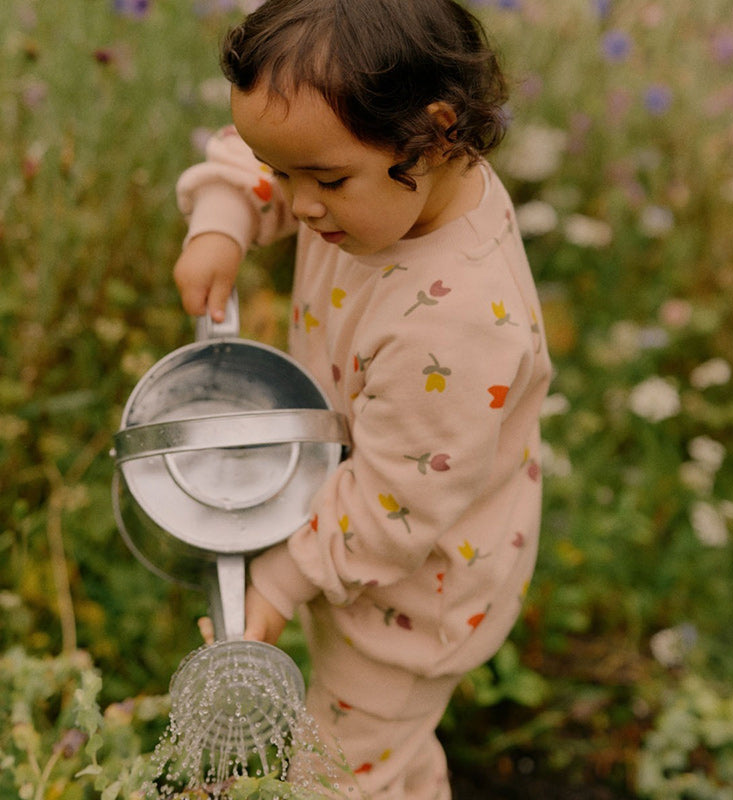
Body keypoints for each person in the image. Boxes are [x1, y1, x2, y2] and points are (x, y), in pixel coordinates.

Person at [173, 1, 551, 797]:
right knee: (388, 758)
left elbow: (393, 506)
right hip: (348, 542)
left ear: (436, 132)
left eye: (327, 180)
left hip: (410, 602)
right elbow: (265, 151)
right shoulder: (384, 192)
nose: (300, 205)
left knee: (339, 773)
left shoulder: (455, 324)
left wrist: (276, 583)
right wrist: (223, 218)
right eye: (283, 175)